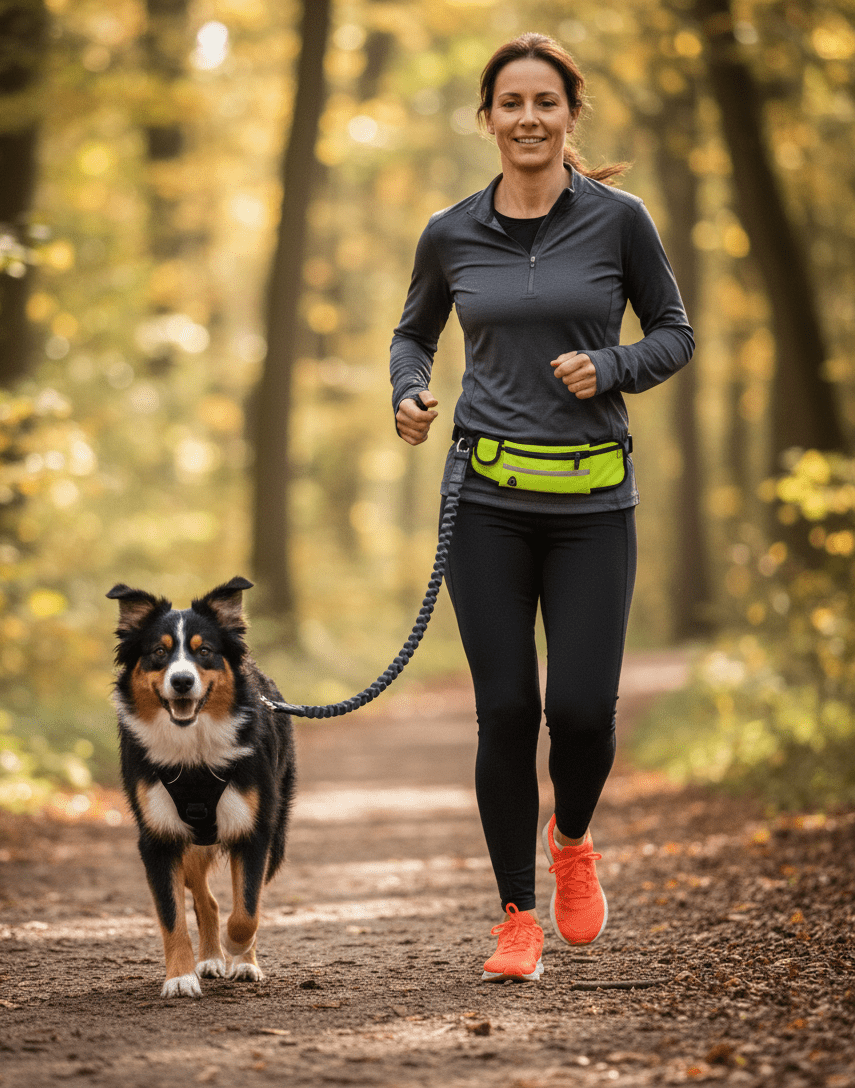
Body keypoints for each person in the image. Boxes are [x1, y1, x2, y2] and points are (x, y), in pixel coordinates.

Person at [390, 33, 694, 982]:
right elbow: (413, 332)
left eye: (545, 103)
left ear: (571, 116)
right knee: (508, 710)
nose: (528, 119)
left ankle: (572, 838)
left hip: (594, 501)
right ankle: (515, 916)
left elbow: (675, 334)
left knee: (585, 714)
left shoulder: (619, 221)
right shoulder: (450, 232)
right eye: (510, 103)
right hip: (485, 498)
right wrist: (408, 392)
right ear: (487, 118)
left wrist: (609, 365)